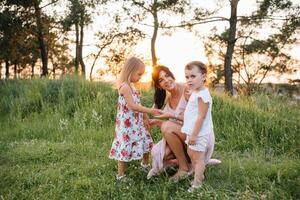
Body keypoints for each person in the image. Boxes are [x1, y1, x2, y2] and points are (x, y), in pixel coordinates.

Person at [108, 57, 162, 180]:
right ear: (130, 71)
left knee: (146, 142)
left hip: (137, 124)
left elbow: (138, 104)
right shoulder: (125, 87)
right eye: (139, 74)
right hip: (127, 126)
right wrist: (151, 110)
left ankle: (145, 164)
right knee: (125, 146)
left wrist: (146, 117)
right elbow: (132, 106)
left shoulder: (133, 87)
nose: (140, 77)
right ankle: (120, 175)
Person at [148, 65, 191, 181]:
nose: (166, 80)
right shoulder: (168, 100)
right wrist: (157, 122)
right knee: (162, 154)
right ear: (159, 85)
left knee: (166, 126)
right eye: (161, 80)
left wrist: (170, 117)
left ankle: (184, 168)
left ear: (172, 75)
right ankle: (189, 162)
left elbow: (198, 120)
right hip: (183, 137)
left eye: (167, 75)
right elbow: (174, 127)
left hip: (197, 135)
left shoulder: (187, 90)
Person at [182, 61, 216, 192]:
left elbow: (201, 117)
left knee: (198, 158)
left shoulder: (203, 95)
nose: (189, 80)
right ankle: (197, 172)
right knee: (191, 153)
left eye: (193, 76)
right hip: (192, 131)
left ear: (203, 76)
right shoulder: (197, 92)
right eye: (187, 77)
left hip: (199, 133)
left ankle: (197, 183)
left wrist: (194, 135)